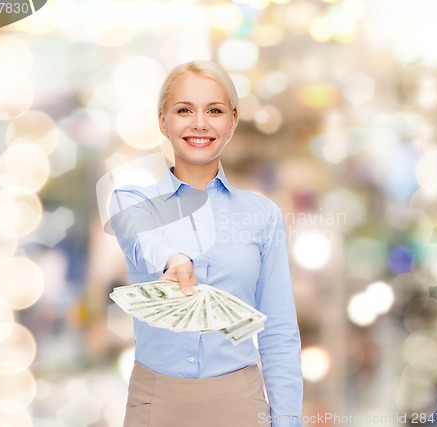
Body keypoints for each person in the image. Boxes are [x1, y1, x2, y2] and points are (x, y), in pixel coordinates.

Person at [109, 60, 303, 427]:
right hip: (155, 403)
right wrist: (173, 258)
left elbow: (278, 333)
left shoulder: (263, 215)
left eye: (213, 111)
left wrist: (288, 421)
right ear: (163, 120)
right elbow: (142, 237)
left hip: (240, 404)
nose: (200, 123)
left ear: (232, 120)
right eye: (184, 110)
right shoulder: (131, 201)